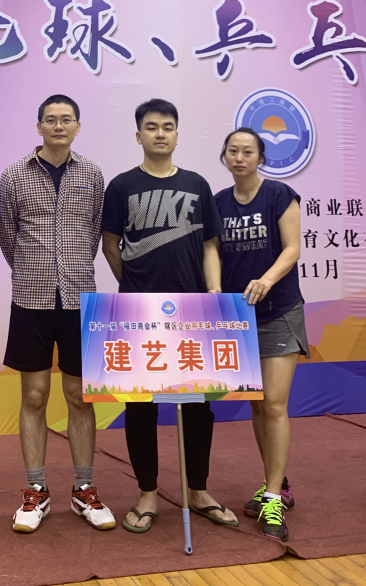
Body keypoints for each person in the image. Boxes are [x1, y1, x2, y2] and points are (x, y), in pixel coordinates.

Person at [101, 98, 239, 533]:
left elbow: (210, 246)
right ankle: (147, 493)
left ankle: (198, 490)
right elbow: (110, 246)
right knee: (140, 406)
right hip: (138, 313)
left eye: (167, 126)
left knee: (198, 406)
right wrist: (134, 286)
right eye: (151, 127)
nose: (159, 133)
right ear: (138, 135)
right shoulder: (121, 186)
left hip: (194, 312)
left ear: (177, 135)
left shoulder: (197, 184)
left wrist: (213, 294)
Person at [0, 94, 115, 534]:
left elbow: (95, 233)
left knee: (80, 396)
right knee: (34, 396)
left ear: (78, 126)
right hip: (31, 299)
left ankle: (84, 489)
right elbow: (7, 236)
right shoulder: (14, 175)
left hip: (80, 300)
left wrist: (72, 269)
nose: (59, 126)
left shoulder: (92, 174)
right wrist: (35, 270)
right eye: (51, 119)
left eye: (67, 119)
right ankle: (36, 491)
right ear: (39, 126)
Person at [216, 127, 306, 544]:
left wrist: (266, 280)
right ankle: (277, 483)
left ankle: (272, 498)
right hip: (239, 318)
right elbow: (212, 252)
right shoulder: (218, 203)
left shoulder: (279, 195)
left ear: (261, 157)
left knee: (273, 403)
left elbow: (292, 249)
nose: (240, 157)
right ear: (225, 156)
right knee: (257, 404)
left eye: (248, 151)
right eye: (233, 151)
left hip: (278, 311)